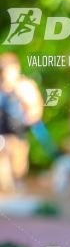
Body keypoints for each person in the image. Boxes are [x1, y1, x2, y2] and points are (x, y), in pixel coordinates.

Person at [0, 53, 43, 192]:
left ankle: (17, 187)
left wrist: (33, 115)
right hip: (2, 131)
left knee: (18, 163)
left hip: (19, 130)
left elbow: (36, 106)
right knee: (3, 161)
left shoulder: (24, 85)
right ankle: (7, 191)